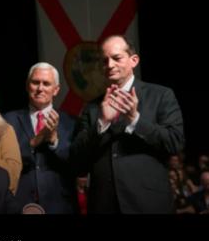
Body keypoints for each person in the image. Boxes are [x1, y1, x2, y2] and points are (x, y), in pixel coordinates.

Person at [70, 35, 185, 214]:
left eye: (116, 58)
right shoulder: (92, 107)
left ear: (134, 60)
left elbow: (174, 142)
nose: (109, 65)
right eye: (104, 61)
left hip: (149, 205)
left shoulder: (161, 95)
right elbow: (77, 161)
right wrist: (102, 123)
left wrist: (135, 120)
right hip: (104, 206)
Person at [4, 62, 76, 213]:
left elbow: (76, 164)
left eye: (46, 83)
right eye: (35, 82)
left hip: (59, 205)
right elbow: (4, 163)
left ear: (56, 90)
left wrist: (54, 140)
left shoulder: (71, 122)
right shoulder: (8, 120)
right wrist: (32, 143)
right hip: (20, 203)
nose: (40, 88)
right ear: (27, 85)